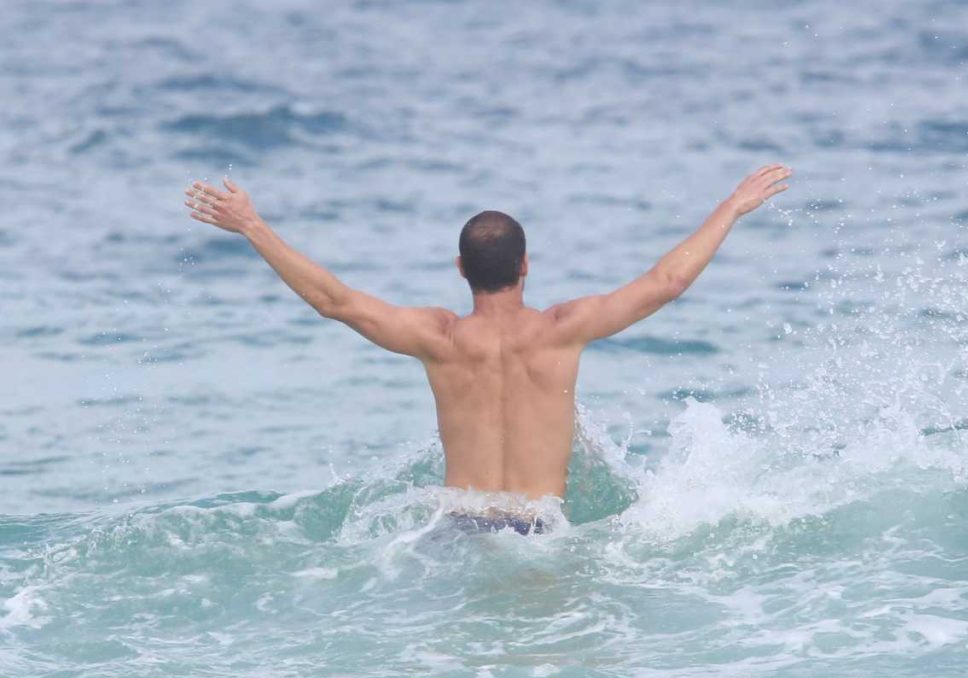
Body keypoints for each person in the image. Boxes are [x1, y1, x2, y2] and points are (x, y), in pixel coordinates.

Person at [184, 164, 791, 534]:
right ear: (526, 265)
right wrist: (732, 206)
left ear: (459, 268)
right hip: (539, 527)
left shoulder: (439, 339)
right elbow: (667, 283)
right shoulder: (562, 328)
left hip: (455, 526)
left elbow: (334, 301)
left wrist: (253, 226)